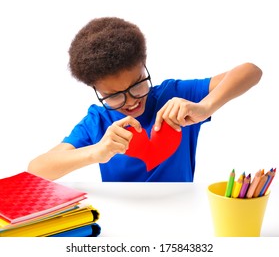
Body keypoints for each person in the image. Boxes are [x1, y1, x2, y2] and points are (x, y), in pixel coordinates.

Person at [27, 17, 262, 182]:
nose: (130, 102)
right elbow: (36, 169)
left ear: (144, 66)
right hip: (122, 222)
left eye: (138, 84)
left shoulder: (175, 97)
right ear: (96, 90)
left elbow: (251, 71)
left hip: (182, 212)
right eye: (114, 96)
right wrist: (95, 152)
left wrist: (205, 106)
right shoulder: (98, 121)